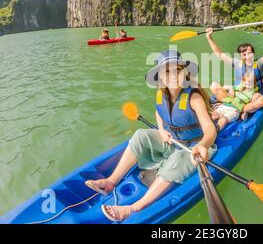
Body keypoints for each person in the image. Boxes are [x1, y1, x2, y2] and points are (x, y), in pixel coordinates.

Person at [85, 50, 217, 222]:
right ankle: (111, 181)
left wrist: (204, 145)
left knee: (178, 158)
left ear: (184, 72)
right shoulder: (162, 94)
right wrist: (162, 131)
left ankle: (134, 208)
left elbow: (210, 128)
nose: (173, 75)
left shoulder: (194, 97)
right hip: (174, 141)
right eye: (167, 71)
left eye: (177, 69)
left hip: (196, 147)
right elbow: (159, 112)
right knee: (141, 134)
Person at [206, 18, 263, 120]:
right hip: (236, 95)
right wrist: (209, 37)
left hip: (251, 96)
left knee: (262, 101)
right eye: (244, 54)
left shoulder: (259, 64)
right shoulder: (237, 63)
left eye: (249, 53)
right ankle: (232, 106)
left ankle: (243, 109)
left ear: (253, 54)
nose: (247, 56)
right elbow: (219, 54)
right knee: (214, 86)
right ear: (241, 56)